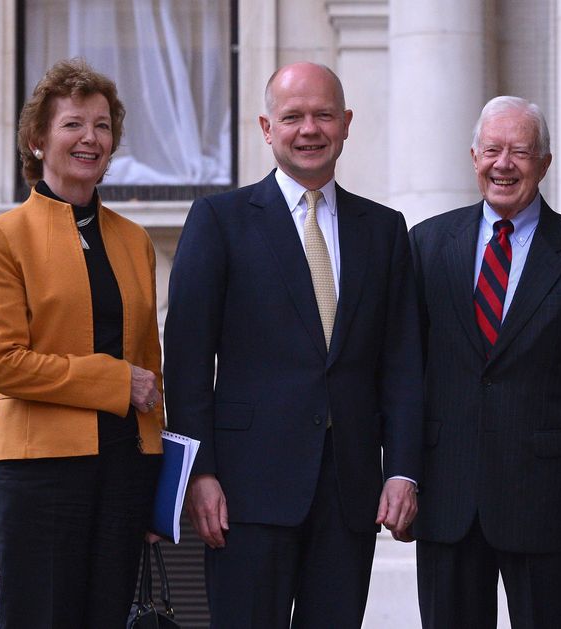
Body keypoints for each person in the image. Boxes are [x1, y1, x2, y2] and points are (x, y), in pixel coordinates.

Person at [163, 62, 423, 628]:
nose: (309, 129)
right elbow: (184, 362)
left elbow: (402, 365)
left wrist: (403, 469)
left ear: (347, 123)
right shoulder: (218, 221)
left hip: (350, 493)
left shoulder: (383, 230)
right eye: (293, 117)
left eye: (323, 115)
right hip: (243, 492)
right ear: (266, 127)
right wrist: (198, 473)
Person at [409, 96, 561, 629]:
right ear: (473, 156)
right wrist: (401, 476)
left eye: (520, 151)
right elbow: (404, 374)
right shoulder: (425, 244)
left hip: (548, 505)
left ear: (545, 162)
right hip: (447, 499)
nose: (503, 164)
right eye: (492, 150)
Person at [0, 58, 165, 628]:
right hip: (40, 475)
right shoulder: (0, 238)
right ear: (37, 140)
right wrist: (114, 380)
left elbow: (151, 371)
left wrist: (158, 481)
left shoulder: (134, 241)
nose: (91, 138)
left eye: (103, 126)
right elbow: (4, 364)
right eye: (74, 124)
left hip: (124, 473)